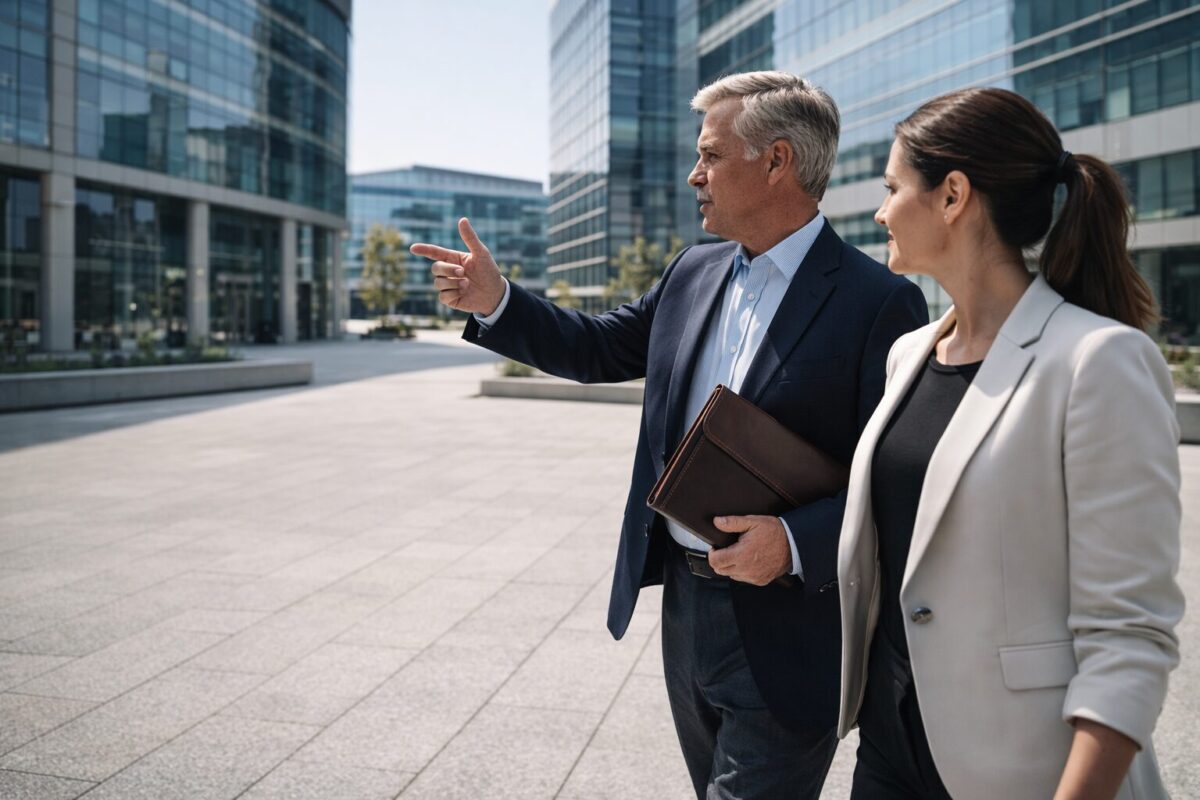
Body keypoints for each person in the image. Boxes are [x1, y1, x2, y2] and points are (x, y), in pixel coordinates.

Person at [412, 71, 928, 799]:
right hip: (686, 612)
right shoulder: (693, 270)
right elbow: (597, 348)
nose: (696, 174)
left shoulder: (879, 303)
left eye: (712, 155)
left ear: (777, 161)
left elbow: (898, 478)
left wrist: (795, 540)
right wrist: (497, 301)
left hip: (791, 625)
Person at [835, 86, 1184, 800]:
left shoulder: (1098, 360)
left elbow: (1129, 637)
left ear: (953, 195)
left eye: (893, 187)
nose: (880, 211)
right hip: (891, 745)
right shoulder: (909, 355)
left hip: (1028, 768)